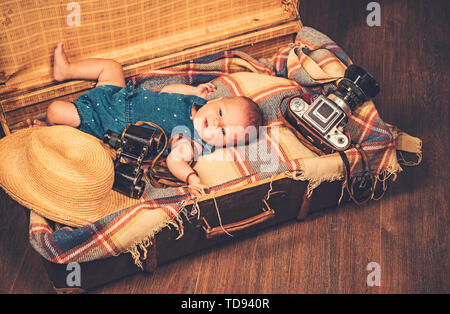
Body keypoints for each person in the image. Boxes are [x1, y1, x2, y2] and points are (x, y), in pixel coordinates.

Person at [35, 43, 263, 197]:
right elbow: (168, 91)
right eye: (221, 113)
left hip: (108, 120)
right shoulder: (199, 105)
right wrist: (194, 91)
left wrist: (191, 177)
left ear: (222, 144)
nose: (215, 123)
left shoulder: (189, 141)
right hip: (120, 95)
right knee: (112, 67)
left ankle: (49, 128)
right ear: (217, 100)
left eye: (223, 133)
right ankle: (66, 70)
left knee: (55, 110)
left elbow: (175, 161)